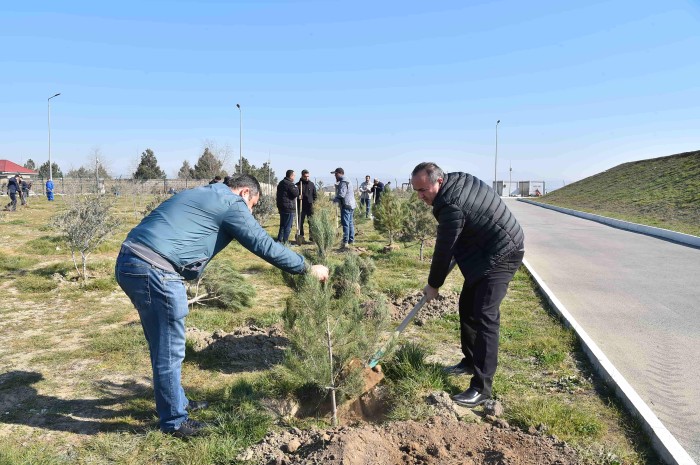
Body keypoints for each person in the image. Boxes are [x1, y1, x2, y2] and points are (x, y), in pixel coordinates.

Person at [115, 175, 329, 438]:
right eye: (252, 205)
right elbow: (263, 244)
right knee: (169, 349)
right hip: (155, 269)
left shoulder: (207, 193)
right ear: (244, 193)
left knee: (163, 343)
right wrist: (307, 268)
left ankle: (176, 402)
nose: (249, 212)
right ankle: (175, 422)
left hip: (132, 260)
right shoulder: (232, 203)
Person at [411, 162, 524, 408]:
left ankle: (482, 387)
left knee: (485, 315)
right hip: (484, 251)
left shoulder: (450, 205)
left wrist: (434, 284)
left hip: (503, 252)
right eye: (416, 191)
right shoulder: (454, 181)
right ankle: (470, 361)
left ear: (438, 181)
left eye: (423, 190)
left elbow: (443, 250)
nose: (420, 196)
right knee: (467, 306)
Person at [331, 167, 356, 249]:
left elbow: (342, 194)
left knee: (345, 224)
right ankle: (351, 240)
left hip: (346, 205)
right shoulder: (346, 180)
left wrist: (334, 199)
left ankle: (345, 242)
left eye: (335, 174)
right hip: (351, 204)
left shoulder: (343, 181)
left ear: (339, 173)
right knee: (350, 223)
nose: (335, 176)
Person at [276, 170, 299, 244]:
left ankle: (279, 240)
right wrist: (296, 188)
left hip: (281, 207)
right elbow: (295, 193)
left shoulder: (281, 183)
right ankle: (285, 242)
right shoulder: (290, 184)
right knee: (288, 226)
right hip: (288, 207)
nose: (294, 177)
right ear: (291, 176)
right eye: (294, 176)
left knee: (282, 225)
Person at [296, 169, 317, 243]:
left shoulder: (311, 184)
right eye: (305, 176)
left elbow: (315, 195)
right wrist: (298, 197)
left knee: (311, 222)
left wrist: (314, 204)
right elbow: (294, 196)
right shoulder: (298, 185)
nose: (307, 178)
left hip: (310, 206)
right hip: (301, 207)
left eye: (308, 176)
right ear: (302, 176)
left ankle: (312, 237)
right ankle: (301, 237)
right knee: (300, 222)